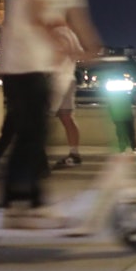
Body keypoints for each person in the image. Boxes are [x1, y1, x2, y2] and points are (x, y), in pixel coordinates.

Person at [0, 0, 102, 227]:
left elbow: (76, 15)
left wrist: (94, 46)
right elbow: (34, 13)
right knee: (32, 133)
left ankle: (22, 202)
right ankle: (19, 205)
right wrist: (63, 46)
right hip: (19, 62)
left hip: (41, 65)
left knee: (36, 133)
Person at [50, 25, 84, 168]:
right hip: (67, 78)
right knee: (66, 117)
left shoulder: (54, 32)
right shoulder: (69, 33)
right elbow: (80, 53)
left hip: (57, 80)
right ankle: (74, 153)